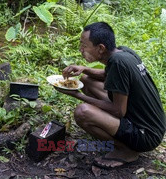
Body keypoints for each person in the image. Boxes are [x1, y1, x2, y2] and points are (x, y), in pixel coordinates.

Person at [57, 22, 166, 169]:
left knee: (82, 112)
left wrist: (77, 95)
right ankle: (108, 127)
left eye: (84, 45)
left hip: (146, 135)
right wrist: (84, 69)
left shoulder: (118, 63)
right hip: (149, 123)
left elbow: (118, 111)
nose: (80, 49)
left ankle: (127, 151)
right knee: (85, 79)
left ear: (101, 48)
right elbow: (108, 75)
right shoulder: (123, 53)